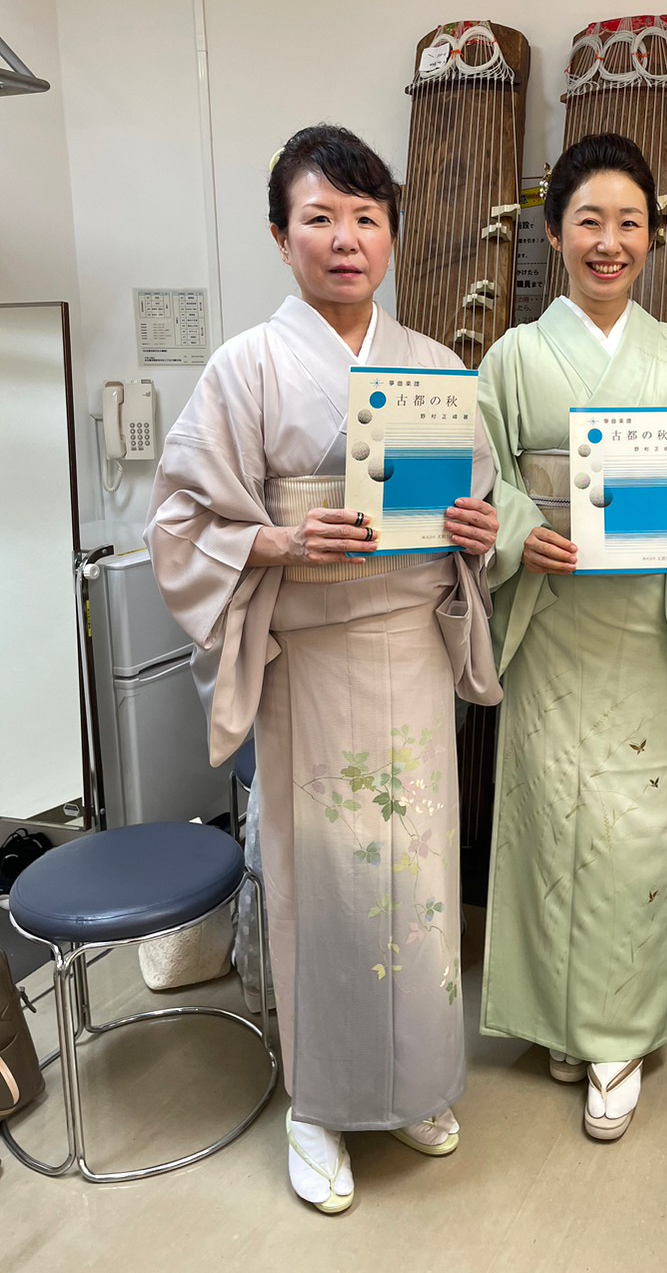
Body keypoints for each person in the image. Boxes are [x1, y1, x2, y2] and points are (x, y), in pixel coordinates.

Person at [146, 124, 499, 1212]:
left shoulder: (436, 367)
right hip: (310, 659)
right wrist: (279, 540)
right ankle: (320, 1103)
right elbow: (176, 522)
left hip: (411, 649)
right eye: (320, 218)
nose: (345, 239)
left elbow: (473, 503)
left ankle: (417, 1081)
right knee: (328, 887)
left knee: (419, 880)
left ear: (391, 235)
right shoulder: (245, 366)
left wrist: (477, 530)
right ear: (280, 235)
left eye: (366, 218)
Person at [477, 133, 667, 1140]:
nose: (609, 241)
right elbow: (480, 474)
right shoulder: (512, 356)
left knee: (631, 835)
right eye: (587, 220)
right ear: (552, 234)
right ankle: (557, 1017)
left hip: (641, 631)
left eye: (628, 222)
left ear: (650, 239)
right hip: (551, 625)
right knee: (548, 823)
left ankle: (617, 1034)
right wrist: (518, 532)